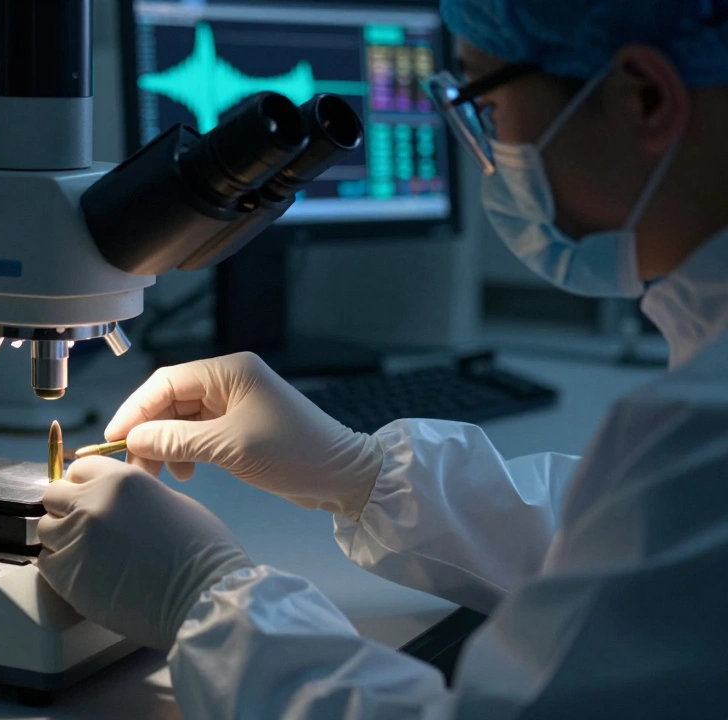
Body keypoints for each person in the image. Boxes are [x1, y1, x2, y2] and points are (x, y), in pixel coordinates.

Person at [36, 0, 728, 717]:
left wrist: (209, 602)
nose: (485, 151)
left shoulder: (707, 425)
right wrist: (365, 475)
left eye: (484, 106)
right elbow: (627, 558)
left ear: (644, 97)